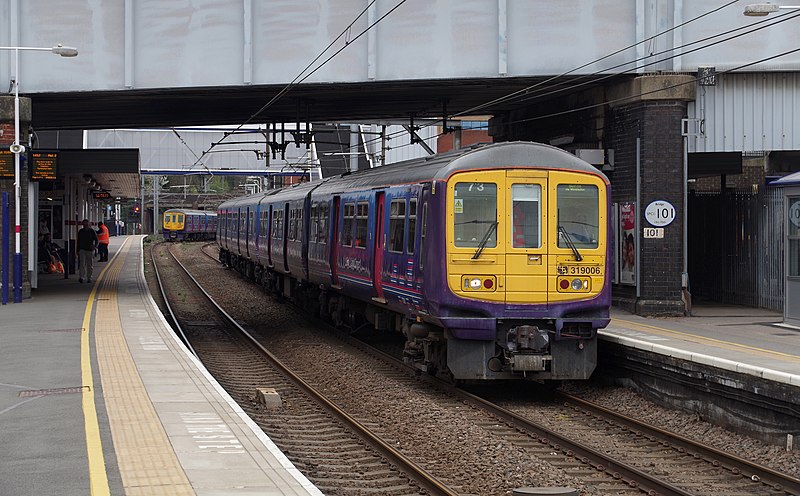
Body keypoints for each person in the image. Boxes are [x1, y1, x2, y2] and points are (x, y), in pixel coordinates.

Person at [77, 219, 98, 283]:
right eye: (84, 224)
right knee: (82, 264)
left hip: (89, 250)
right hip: (82, 249)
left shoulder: (92, 231)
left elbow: (96, 240)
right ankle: (81, 277)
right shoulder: (80, 231)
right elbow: (78, 241)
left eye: (86, 224)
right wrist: (78, 250)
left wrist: (95, 247)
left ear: (89, 224)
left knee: (89, 264)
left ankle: (89, 277)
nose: (85, 225)